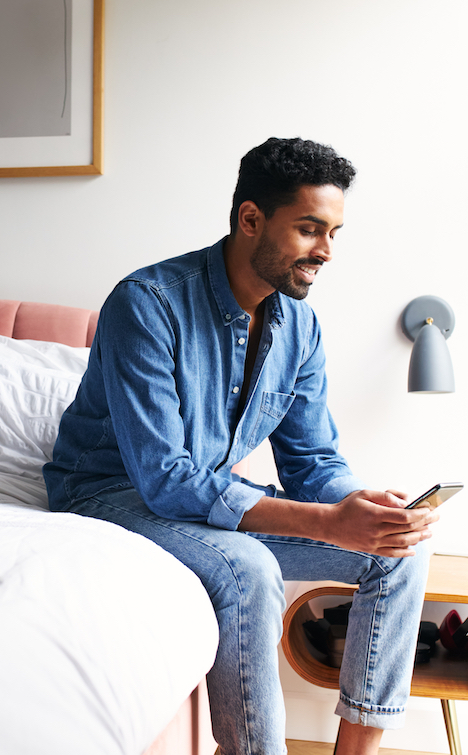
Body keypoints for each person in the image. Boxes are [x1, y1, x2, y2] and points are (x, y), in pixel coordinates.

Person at [43, 137, 437, 755]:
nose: (326, 251)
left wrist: (361, 507)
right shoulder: (146, 304)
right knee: (248, 567)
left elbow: (312, 461)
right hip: (106, 492)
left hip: (202, 494)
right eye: (309, 229)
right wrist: (329, 523)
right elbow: (165, 478)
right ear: (251, 219)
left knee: (398, 552)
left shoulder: (300, 326)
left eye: (333, 232)